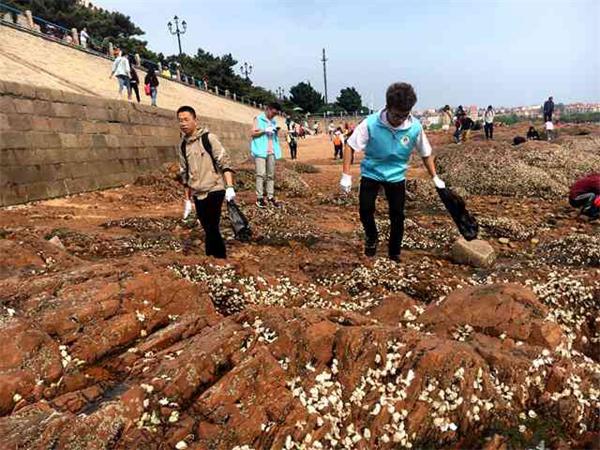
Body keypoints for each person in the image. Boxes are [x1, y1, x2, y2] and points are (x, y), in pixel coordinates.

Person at [340, 82, 446, 262]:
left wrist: (435, 177)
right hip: (371, 172)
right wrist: (346, 175)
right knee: (365, 210)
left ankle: (394, 252)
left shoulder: (415, 127)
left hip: (396, 176)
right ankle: (372, 237)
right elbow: (350, 146)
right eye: (396, 115)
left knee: (397, 216)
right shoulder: (371, 123)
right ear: (388, 107)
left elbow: (425, 153)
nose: (400, 119)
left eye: (405, 115)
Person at [177, 106, 236, 259]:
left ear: (195, 120)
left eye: (186, 120)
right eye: (180, 120)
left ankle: (218, 258)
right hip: (198, 192)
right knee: (207, 226)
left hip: (214, 188)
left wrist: (229, 187)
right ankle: (214, 259)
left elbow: (224, 162)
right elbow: (185, 174)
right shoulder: (183, 146)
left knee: (212, 226)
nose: (183, 123)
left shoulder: (209, 139)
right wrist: (187, 200)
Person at [250, 102, 282, 208]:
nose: (274, 116)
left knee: (270, 175)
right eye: (273, 113)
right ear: (268, 109)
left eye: (276, 114)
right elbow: (253, 133)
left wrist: (275, 130)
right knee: (261, 174)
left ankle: (270, 196)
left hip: (271, 150)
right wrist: (264, 131)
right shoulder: (258, 119)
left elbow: (273, 136)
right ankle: (259, 197)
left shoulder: (273, 121)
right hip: (260, 150)